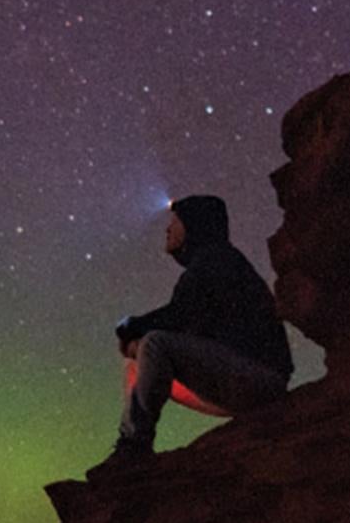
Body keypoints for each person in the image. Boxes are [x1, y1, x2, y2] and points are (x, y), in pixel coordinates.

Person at [104, 193, 291, 464]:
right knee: (137, 362)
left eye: (176, 221)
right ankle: (130, 441)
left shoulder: (217, 261)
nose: (168, 229)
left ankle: (134, 446)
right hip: (243, 378)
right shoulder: (211, 264)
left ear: (194, 224)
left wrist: (131, 326)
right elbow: (188, 322)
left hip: (259, 379)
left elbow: (178, 317)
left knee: (155, 344)